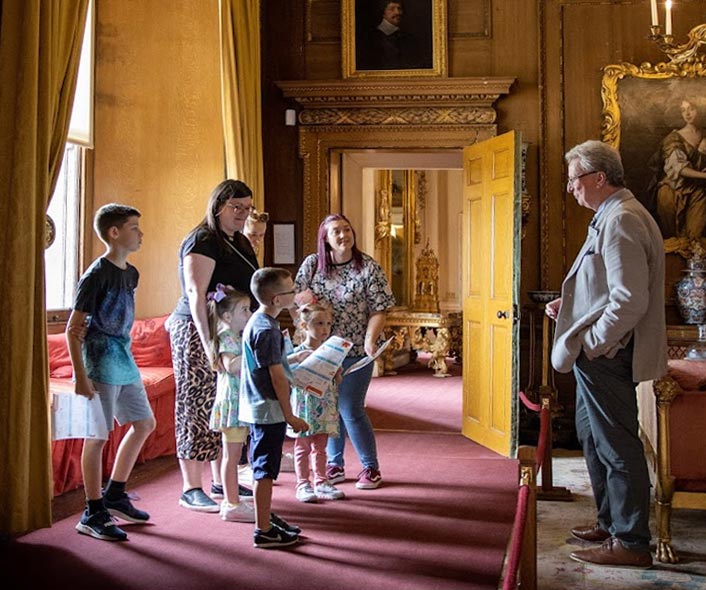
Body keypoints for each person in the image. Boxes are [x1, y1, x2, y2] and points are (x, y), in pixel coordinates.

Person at [546, 140, 667, 569]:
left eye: (574, 179)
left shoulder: (622, 220)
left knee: (617, 447)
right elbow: (606, 287)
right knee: (594, 440)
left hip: (609, 355)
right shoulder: (611, 215)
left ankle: (631, 542)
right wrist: (571, 305)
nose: (570, 189)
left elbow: (630, 300)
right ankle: (611, 523)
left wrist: (596, 344)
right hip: (601, 354)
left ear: (599, 178)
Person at [66, 203, 156, 542]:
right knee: (98, 435)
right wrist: (80, 375)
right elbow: (74, 329)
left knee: (145, 424)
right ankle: (92, 511)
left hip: (124, 357)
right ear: (114, 233)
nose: (141, 233)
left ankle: (115, 493)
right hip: (99, 360)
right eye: (134, 227)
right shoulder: (95, 275)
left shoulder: (131, 273)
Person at [168, 179, 259, 512]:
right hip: (197, 328)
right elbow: (196, 293)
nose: (242, 214)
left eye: (247, 209)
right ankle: (191, 486)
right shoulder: (203, 239)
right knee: (196, 402)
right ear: (219, 204)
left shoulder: (240, 242)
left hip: (232, 331)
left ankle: (223, 479)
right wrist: (208, 342)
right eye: (237, 207)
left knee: (226, 403)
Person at [295, 214, 395, 489]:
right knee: (329, 408)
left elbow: (379, 309)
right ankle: (334, 463)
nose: (343, 235)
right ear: (325, 238)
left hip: (355, 350)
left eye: (347, 229)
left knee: (350, 408)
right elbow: (297, 299)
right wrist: (302, 301)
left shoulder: (368, 267)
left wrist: (369, 340)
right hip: (321, 351)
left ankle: (370, 467)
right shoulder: (312, 265)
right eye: (336, 231)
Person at [239, 267, 309, 548]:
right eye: (291, 291)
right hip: (268, 409)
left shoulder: (258, 321)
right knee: (265, 470)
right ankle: (263, 530)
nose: (296, 294)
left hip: (258, 406)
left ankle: (265, 518)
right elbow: (276, 376)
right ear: (277, 299)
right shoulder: (267, 330)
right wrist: (290, 415)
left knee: (264, 467)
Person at [205, 283, 256, 522]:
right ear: (227, 316)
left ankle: (233, 497)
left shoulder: (237, 335)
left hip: (241, 401)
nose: (249, 314)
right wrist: (253, 352)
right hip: (232, 404)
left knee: (236, 455)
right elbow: (231, 366)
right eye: (244, 310)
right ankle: (232, 503)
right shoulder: (227, 337)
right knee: (232, 457)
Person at [287, 302, 345, 503]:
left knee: (321, 446)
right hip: (305, 405)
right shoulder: (297, 352)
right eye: (319, 323)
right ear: (304, 327)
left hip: (325, 404)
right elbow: (289, 376)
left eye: (328, 324)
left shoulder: (331, 352)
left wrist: (337, 372)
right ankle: (303, 483)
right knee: (302, 445)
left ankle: (321, 480)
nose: (324, 329)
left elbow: (336, 381)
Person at [655, 97, 706, 238]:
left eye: (691, 109)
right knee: (665, 198)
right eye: (683, 110)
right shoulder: (674, 138)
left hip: (698, 188)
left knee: (695, 235)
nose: (687, 114)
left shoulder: (704, 135)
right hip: (675, 187)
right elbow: (680, 169)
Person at [357, 0, 428, 71]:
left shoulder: (409, 38)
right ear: (383, 13)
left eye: (399, 9)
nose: (397, 12)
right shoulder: (370, 38)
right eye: (392, 9)